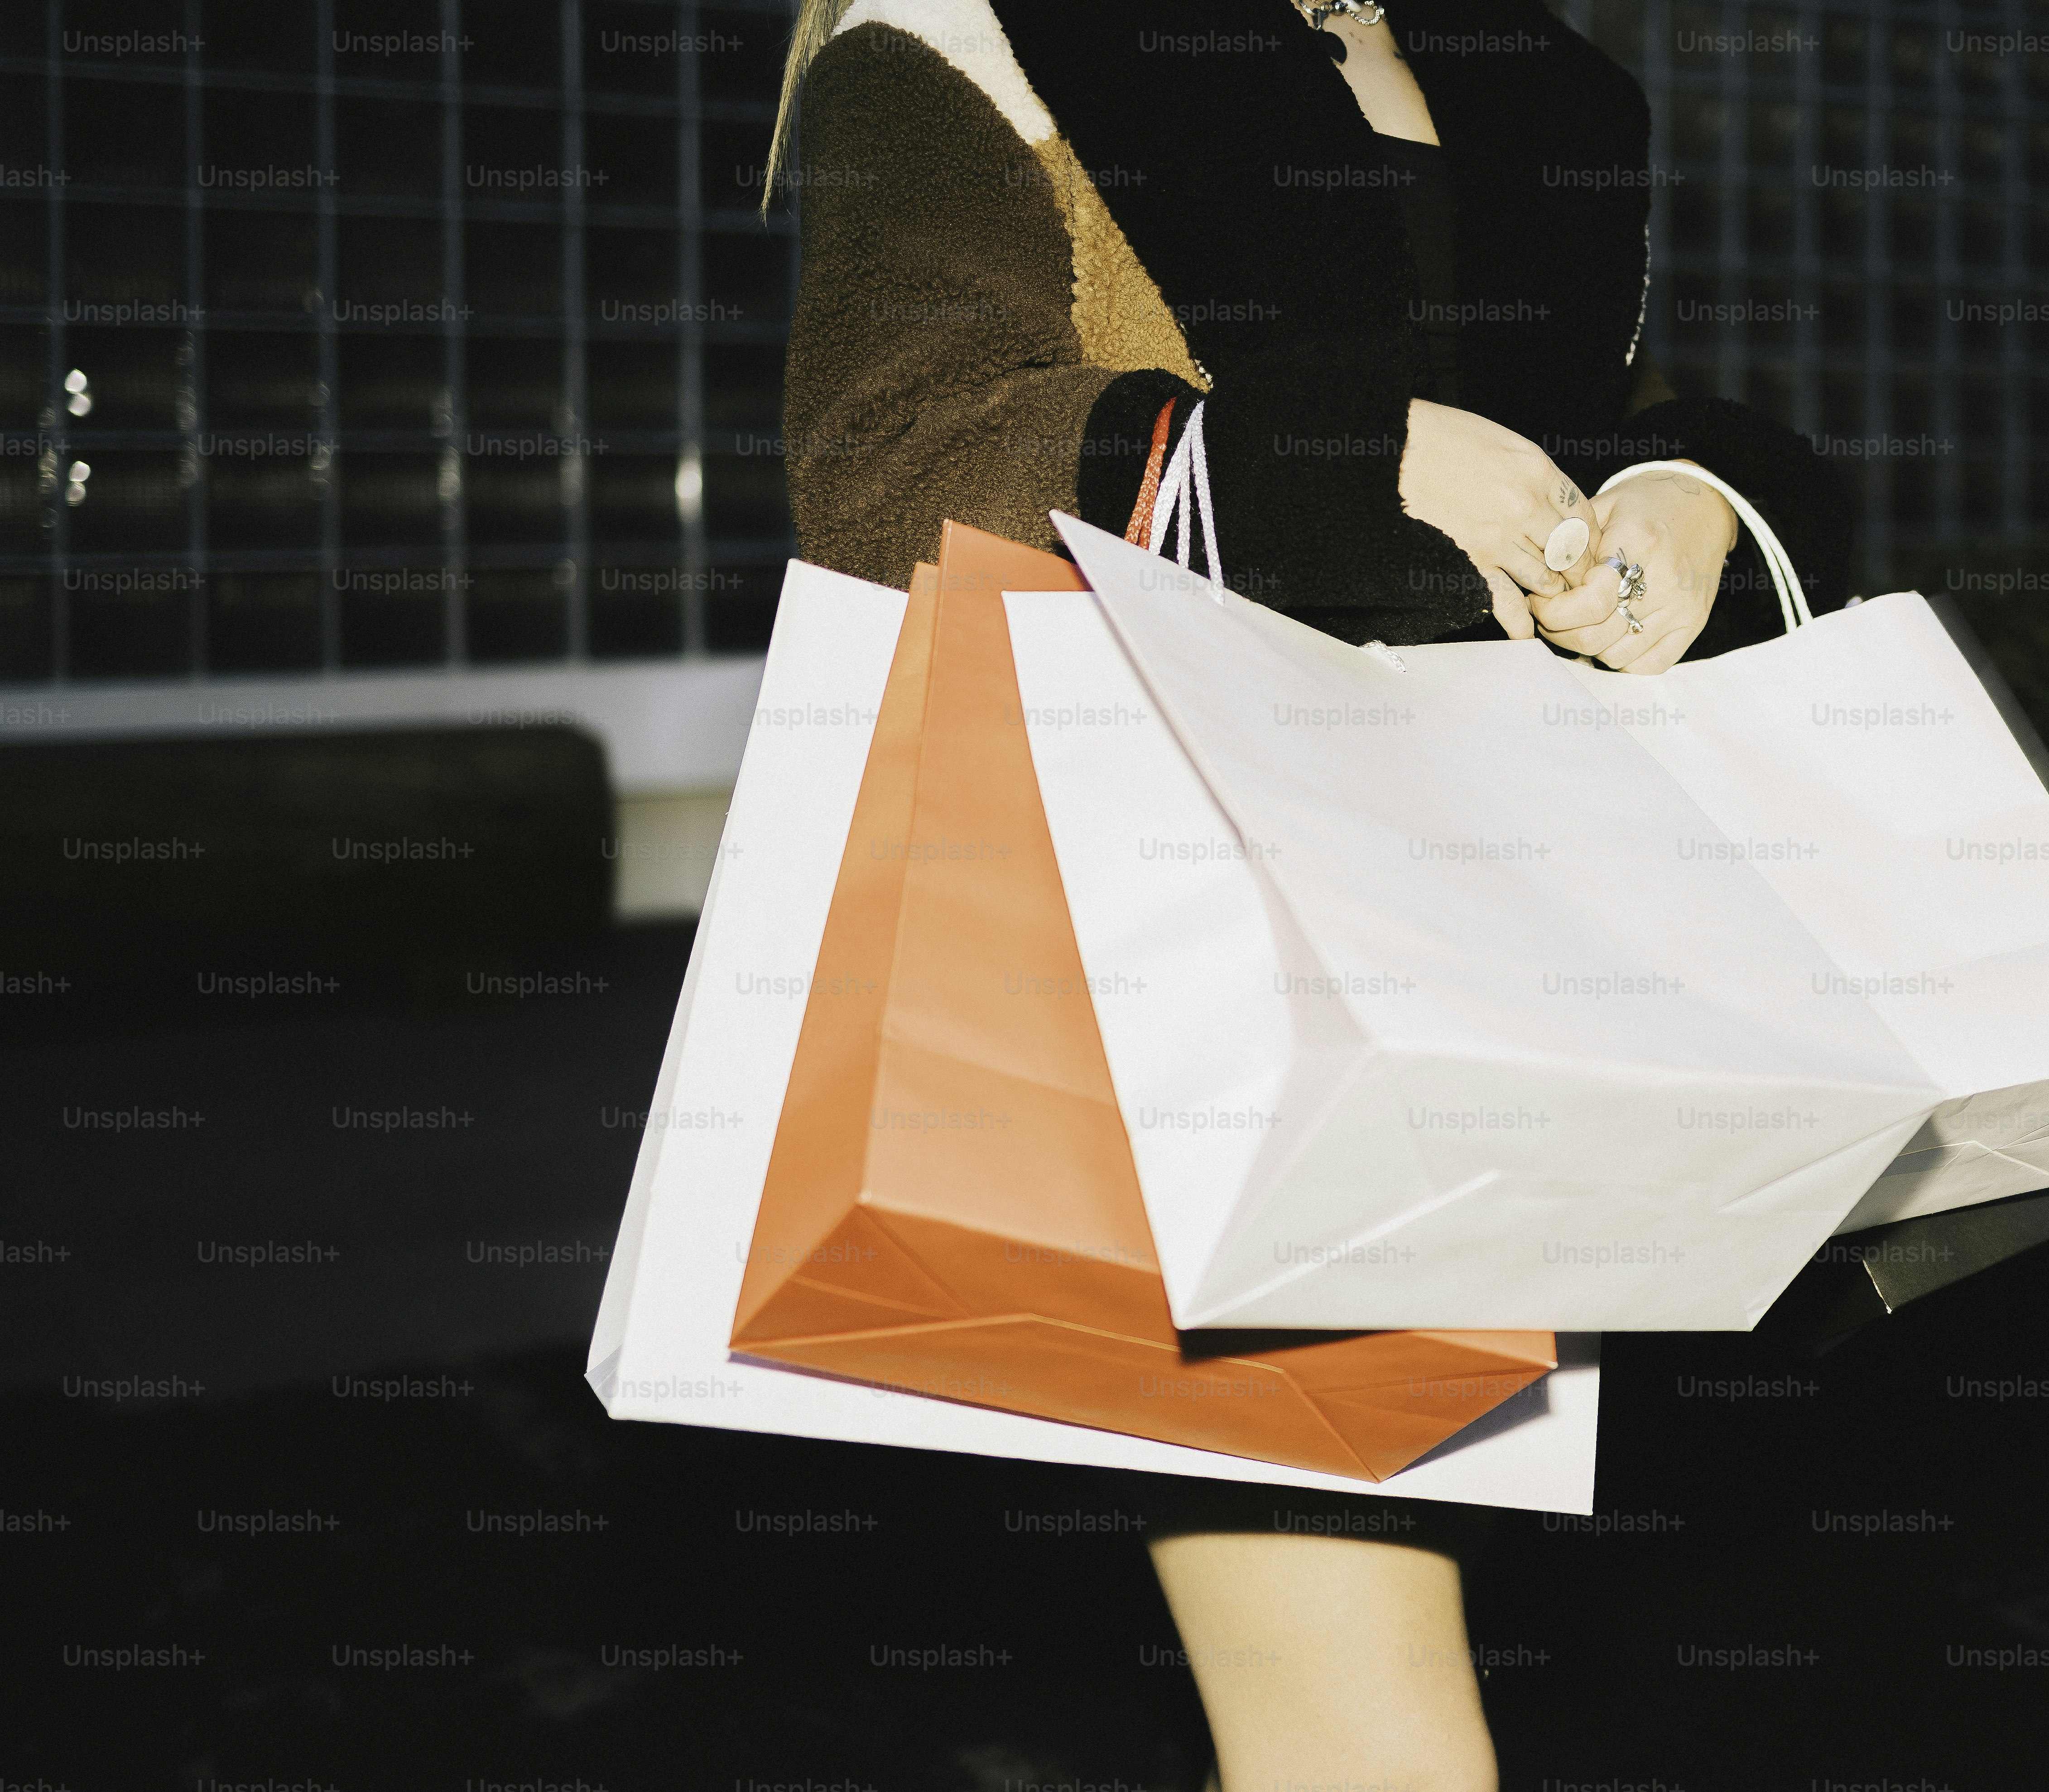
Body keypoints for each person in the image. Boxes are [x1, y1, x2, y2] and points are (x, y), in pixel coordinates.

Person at [762, 2, 1855, 1785]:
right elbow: (892, 468)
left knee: (1359, 1666)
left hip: (1502, 948)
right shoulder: (977, 37)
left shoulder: (1532, 73)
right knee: (1369, 1721)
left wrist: (1672, 500)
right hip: (1198, 969)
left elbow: (1568, 429)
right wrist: (1358, 450)